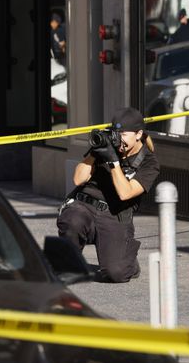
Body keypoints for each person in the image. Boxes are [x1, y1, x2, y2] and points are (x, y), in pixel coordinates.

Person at [57, 107, 160, 283]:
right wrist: (95, 152)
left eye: (123, 134)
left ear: (138, 134)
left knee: (116, 273)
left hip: (114, 214)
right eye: (115, 133)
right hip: (85, 206)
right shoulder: (107, 147)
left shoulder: (149, 163)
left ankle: (128, 258)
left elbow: (125, 193)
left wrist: (113, 162)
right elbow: (78, 179)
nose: (118, 139)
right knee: (72, 220)